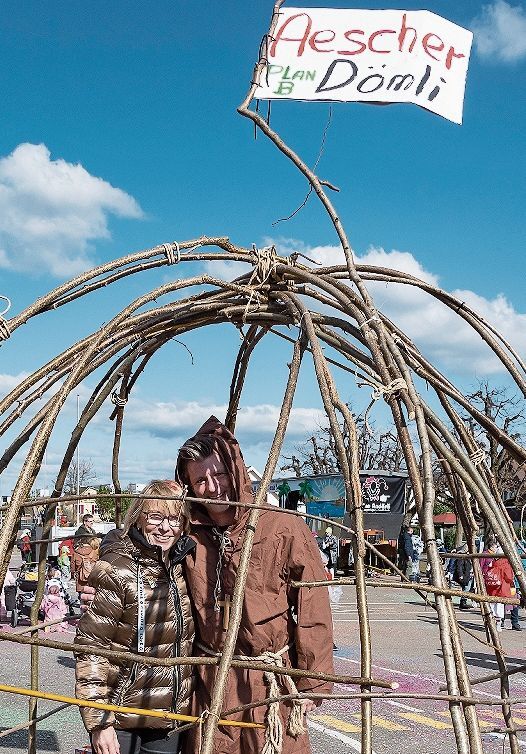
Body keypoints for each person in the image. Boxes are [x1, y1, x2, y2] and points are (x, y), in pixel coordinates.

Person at [176, 416, 334, 754]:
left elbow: (313, 606)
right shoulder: (186, 534)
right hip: (211, 678)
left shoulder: (282, 526)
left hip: (269, 679)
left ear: (235, 472)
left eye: (218, 474)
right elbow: (139, 548)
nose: (212, 487)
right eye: (200, 480)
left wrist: (312, 682)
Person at [74, 480, 195, 754]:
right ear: (139, 516)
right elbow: (92, 648)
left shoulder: (183, 568)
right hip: (120, 712)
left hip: (168, 713)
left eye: (174, 519)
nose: (165, 527)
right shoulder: (119, 569)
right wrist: (99, 723)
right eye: (156, 516)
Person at [481, 545, 514, 631]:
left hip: (492, 587)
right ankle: (498, 624)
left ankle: (490, 623)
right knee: (499, 606)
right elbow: (509, 577)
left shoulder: (493, 562)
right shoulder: (506, 563)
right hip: (501, 587)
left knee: (492, 605)